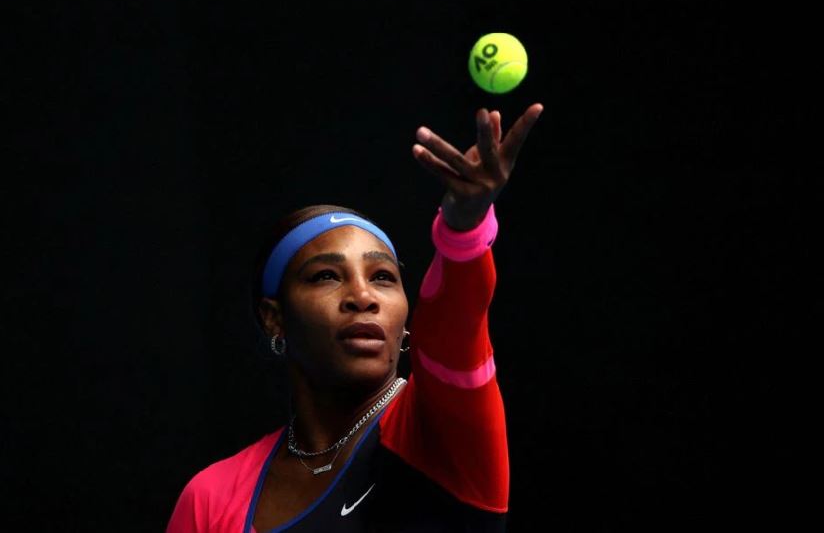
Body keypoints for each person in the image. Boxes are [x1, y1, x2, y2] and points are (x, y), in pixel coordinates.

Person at [166, 102, 544, 532]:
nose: (363, 297)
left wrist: (463, 228)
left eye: (383, 277)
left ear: (407, 321)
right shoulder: (211, 497)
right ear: (274, 319)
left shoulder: (441, 432)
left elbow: (456, 324)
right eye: (326, 276)